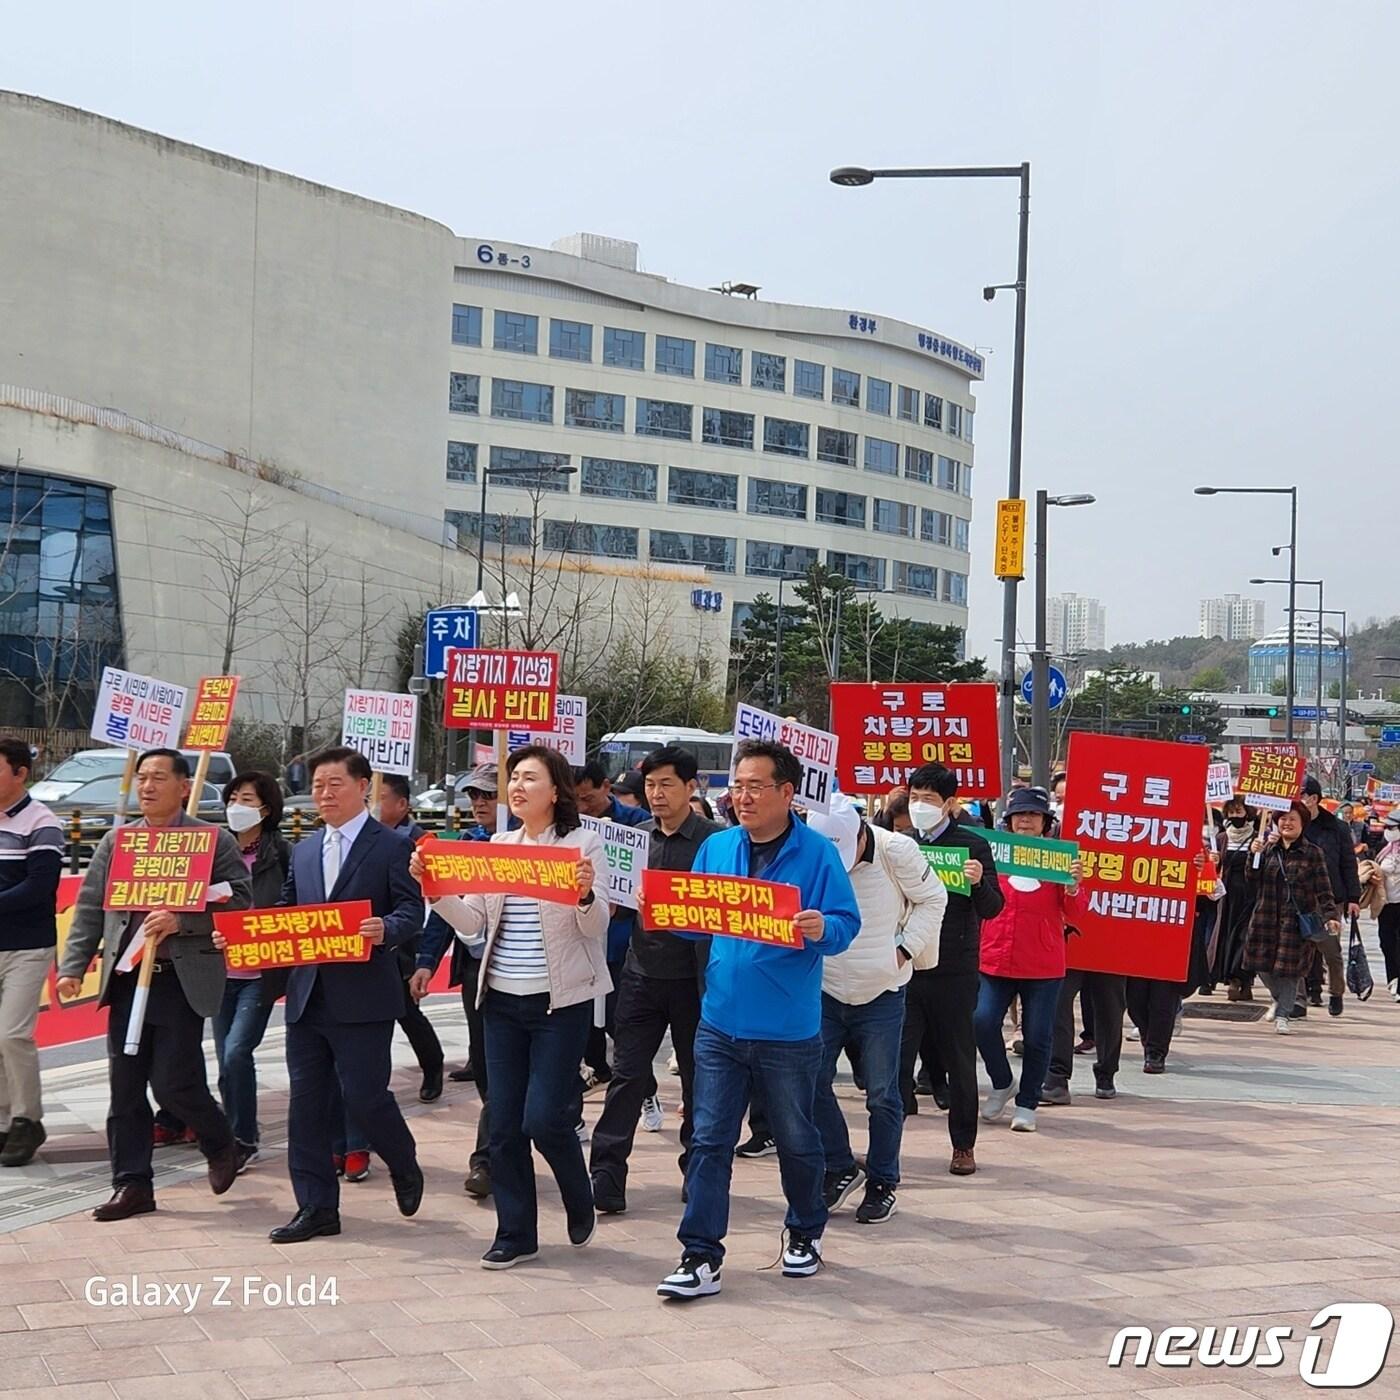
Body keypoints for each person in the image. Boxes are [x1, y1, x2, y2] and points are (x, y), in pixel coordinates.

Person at [656, 739, 859, 1301]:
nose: (741, 797)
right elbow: (697, 923)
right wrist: (671, 911)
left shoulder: (817, 854)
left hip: (788, 1030)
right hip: (720, 1022)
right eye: (736, 786)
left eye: (754, 786)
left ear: (787, 793)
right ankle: (699, 1254)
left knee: (796, 1138)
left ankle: (804, 1231)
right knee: (709, 1140)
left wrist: (823, 928)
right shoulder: (718, 848)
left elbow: (847, 924)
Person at [415, 745, 609, 1269]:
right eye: (513, 778)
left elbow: (598, 927)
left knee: (544, 1118)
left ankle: (576, 1187)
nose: (518, 787)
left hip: (559, 1004)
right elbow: (474, 923)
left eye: (530, 778)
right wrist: (434, 889)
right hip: (498, 1000)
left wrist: (587, 896)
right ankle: (516, 1233)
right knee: (502, 1124)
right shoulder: (498, 845)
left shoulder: (583, 842)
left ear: (556, 789)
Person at [57, 748, 251, 1219]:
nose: (147, 786)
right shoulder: (117, 841)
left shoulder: (212, 840)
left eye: (158, 777)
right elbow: (89, 907)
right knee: (124, 1089)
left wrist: (183, 920)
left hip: (178, 980)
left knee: (172, 1083)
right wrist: (73, 965)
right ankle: (132, 1184)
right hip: (128, 979)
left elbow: (241, 900)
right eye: (142, 777)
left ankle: (221, 1140)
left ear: (185, 786)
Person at [262, 746, 425, 1243]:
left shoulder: (392, 846)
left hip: (364, 997)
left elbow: (411, 912)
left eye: (334, 784)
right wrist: (251, 935)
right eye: (317, 786)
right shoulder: (306, 849)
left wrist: (386, 929)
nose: (324, 794)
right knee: (306, 1106)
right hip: (308, 994)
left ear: (363, 787)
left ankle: (402, 1160)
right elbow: (289, 912)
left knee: (364, 1097)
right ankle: (316, 1208)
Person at [589, 745, 724, 1214]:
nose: (656, 794)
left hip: (695, 978)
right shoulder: (635, 839)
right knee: (627, 1075)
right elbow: (611, 899)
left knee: (696, 1080)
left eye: (667, 784)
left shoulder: (716, 842)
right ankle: (606, 1174)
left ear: (691, 788)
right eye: (650, 785)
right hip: (641, 975)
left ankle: (698, 1171)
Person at [807, 794, 945, 1224]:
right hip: (827, 987)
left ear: (862, 833)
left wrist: (904, 950)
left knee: (884, 1094)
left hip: (883, 990)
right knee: (809, 1081)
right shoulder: (808, 850)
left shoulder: (896, 850)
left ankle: (883, 1181)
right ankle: (841, 1164)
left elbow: (933, 899)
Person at [898, 763, 1003, 1176]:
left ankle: (963, 1146)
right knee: (896, 1063)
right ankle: (888, 1150)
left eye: (929, 799)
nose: (920, 806)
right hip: (906, 965)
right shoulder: (901, 843)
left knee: (960, 1060)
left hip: (954, 970)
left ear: (950, 804)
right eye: (915, 797)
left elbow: (993, 909)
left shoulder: (972, 845)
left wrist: (979, 883)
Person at [975, 787, 1081, 1132]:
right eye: (1019, 815)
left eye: (1033, 815)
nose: (1025, 820)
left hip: (1042, 964)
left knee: (1037, 1036)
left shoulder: (1059, 861)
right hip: (995, 958)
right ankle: (1003, 1081)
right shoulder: (994, 855)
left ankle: (1027, 1103)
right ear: (1008, 821)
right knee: (982, 1022)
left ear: (1045, 823)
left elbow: (1077, 914)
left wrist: (1074, 888)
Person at [412, 764, 497, 1196]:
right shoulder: (466, 847)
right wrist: (427, 960)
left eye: (488, 796)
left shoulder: (540, 850)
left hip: (531, 978)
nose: (479, 804)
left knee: (525, 1086)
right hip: (475, 973)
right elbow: (447, 909)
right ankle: (492, 1153)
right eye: (474, 796)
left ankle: (494, 1155)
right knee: (487, 1070)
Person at [212, 771, 289, 1172]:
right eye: (234, 798)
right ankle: (232, 1130)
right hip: (218, 972)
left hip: (260, 973)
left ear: (266, 808)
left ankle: (244, 1138)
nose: (238, 807)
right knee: (225, 1059)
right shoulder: (215, 848)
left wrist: (260, 927)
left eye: (248, 800)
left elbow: (293, 904)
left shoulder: (282, 853)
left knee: (238, 1052)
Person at [0, 738, 64, 1168]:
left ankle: (28, 1119)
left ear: (21, 773)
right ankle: (4, 1122)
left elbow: (40, 888)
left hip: (27, 945)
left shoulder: (44, 822)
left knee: (12, 1034)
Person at [575, 760, 651, 1093]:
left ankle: (642, 1089)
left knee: (622, 1025)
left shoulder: (638, 825)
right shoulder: (567, 827)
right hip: (583, 945)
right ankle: (594, 1073)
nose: (581, 807)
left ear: (606, 787)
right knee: (581, 1025)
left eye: (588, 798)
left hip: (623, 945)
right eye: (574, 799)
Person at [1242, 801, 1343, 1032]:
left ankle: (1284, 1015)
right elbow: (1252, 879)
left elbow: (1324, 888)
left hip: (1295, 922)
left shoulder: (1313, 853)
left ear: (1303, 824)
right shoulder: (1268, 848)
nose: (1287, 823)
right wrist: (1253, 854)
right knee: (1261, 965)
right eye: (1283, 819)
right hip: (1265, 917)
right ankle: (1279, 999)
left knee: (1289, 970)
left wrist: (1330, 915)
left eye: (1292, 819)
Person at [377, 773, 445, 1103]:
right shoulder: (363, 838)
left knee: (406, 1009)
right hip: (371, 937)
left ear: (402, 804)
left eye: (381, 797)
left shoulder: (422, 841)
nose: (373, 805)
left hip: (405, 938)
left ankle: (433, 1065)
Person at [1300, 777, 1361, 1017]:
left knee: (1331, 951)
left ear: (1313, 798)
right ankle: (1298, 1000)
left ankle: (1336, 993)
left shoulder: (1337, 828)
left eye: (1301, 795)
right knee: (1297, 950)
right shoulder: (1292, 823)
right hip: (1298, 898)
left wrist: (1353, 898)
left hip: (1329, 899)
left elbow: (1348, 864)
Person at [1213, 796, 1259, 1001]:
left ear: (1247, 813)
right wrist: (1214, 861)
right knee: (1226, 936)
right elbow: (1215, 869)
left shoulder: (1257, 838)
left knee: (1245, 937)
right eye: (1231, 813)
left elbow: (1260, 868)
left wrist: (1257, 853)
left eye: (1238, 812)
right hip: (1227, 895)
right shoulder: (1222, 838)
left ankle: (1244, 978)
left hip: (1250, 895)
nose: (1235, 816)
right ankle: (1230, 978)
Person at [1372, 815, 1400, 1000]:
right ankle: (1393, 978)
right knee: (1386, 942)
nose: (1388, 831)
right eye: (1387, 827)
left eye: (1392, 827)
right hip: (1386, 904)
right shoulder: (1384, 851)